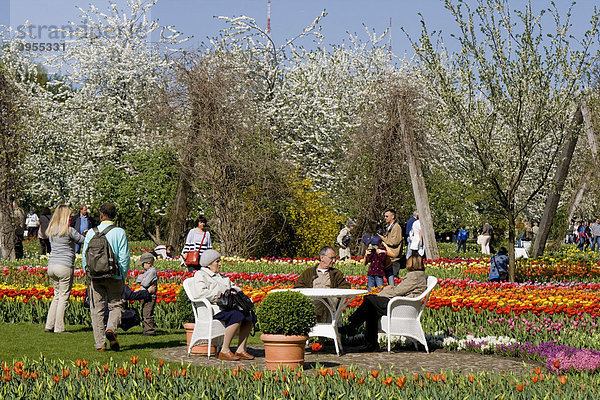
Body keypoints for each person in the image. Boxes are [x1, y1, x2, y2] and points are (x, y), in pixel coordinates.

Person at [338, 254, 428, 352]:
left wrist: (382, 292)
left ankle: (353, 326)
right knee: (371, 309)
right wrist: (390, 289)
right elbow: (401, 290)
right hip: (402, 304)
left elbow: (397, 292)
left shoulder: (413, 276)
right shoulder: (419, 276)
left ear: (412, 264)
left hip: (400, 307)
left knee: (369, 299)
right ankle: (370, 343)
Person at [188, 250, 255, 361]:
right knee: (237, 315)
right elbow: (199, 293)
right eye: (217, 261)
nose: (220, 264)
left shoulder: (222, 277)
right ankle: (224, 350)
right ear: (209, 264)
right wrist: (219, 296)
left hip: (227, 307)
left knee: (249, 315)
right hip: (214, 309)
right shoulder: (201, 275)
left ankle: (240, 349)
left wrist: (235, 292)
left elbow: (235, 287)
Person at [82, 203, 130, 352]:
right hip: (114, 275)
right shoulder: (119, 232)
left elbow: (85, 257)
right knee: (117, 305)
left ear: (101, 215)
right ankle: (111, 329)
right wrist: (122, 275)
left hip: (95, 276)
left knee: (97, 309)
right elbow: (124, 257)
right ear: (114, 215)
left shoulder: (91, 232)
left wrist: (88, 273)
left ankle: (100, 344)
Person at [44, 205, 86, 334]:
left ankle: (49, 325)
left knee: (57, 295)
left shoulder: (51, 230)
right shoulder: (69, 230)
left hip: (51, 265)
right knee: (63, 297)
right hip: (65, 265)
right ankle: (59, 328)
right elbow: (83, 240)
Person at [295, 246, 351, 322]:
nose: (334, 261)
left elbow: (346, 286)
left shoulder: (336, 273)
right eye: (331, 258)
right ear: (322, 258)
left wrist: (333, 293)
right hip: (312, 301)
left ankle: (319, 327)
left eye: (335, 258)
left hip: (331, 302)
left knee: (324, 301)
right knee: (319, 302)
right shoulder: (309, 273)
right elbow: (298, 287)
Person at [377, 209, 404, 284]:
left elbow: (394, 242)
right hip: (389, 257)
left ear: (392, 216)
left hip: (394, 257)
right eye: (384, 216)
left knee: (393, 278)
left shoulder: (396, 227)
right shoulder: (390, 226)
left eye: (387, 216)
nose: (385, 218)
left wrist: (383, 239)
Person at [135, 252, 158, 336]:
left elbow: (145, 283)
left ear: (149, 263)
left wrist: (143, 279)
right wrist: (143, 278)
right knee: (144, 312)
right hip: (146, 295)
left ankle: (149, 331)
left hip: (150, 296)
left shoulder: (152, 271)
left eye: (143, 264)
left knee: (147, 313)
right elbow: (138, 279)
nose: (142, 266)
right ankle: (146, 329)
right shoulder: (147, 271)